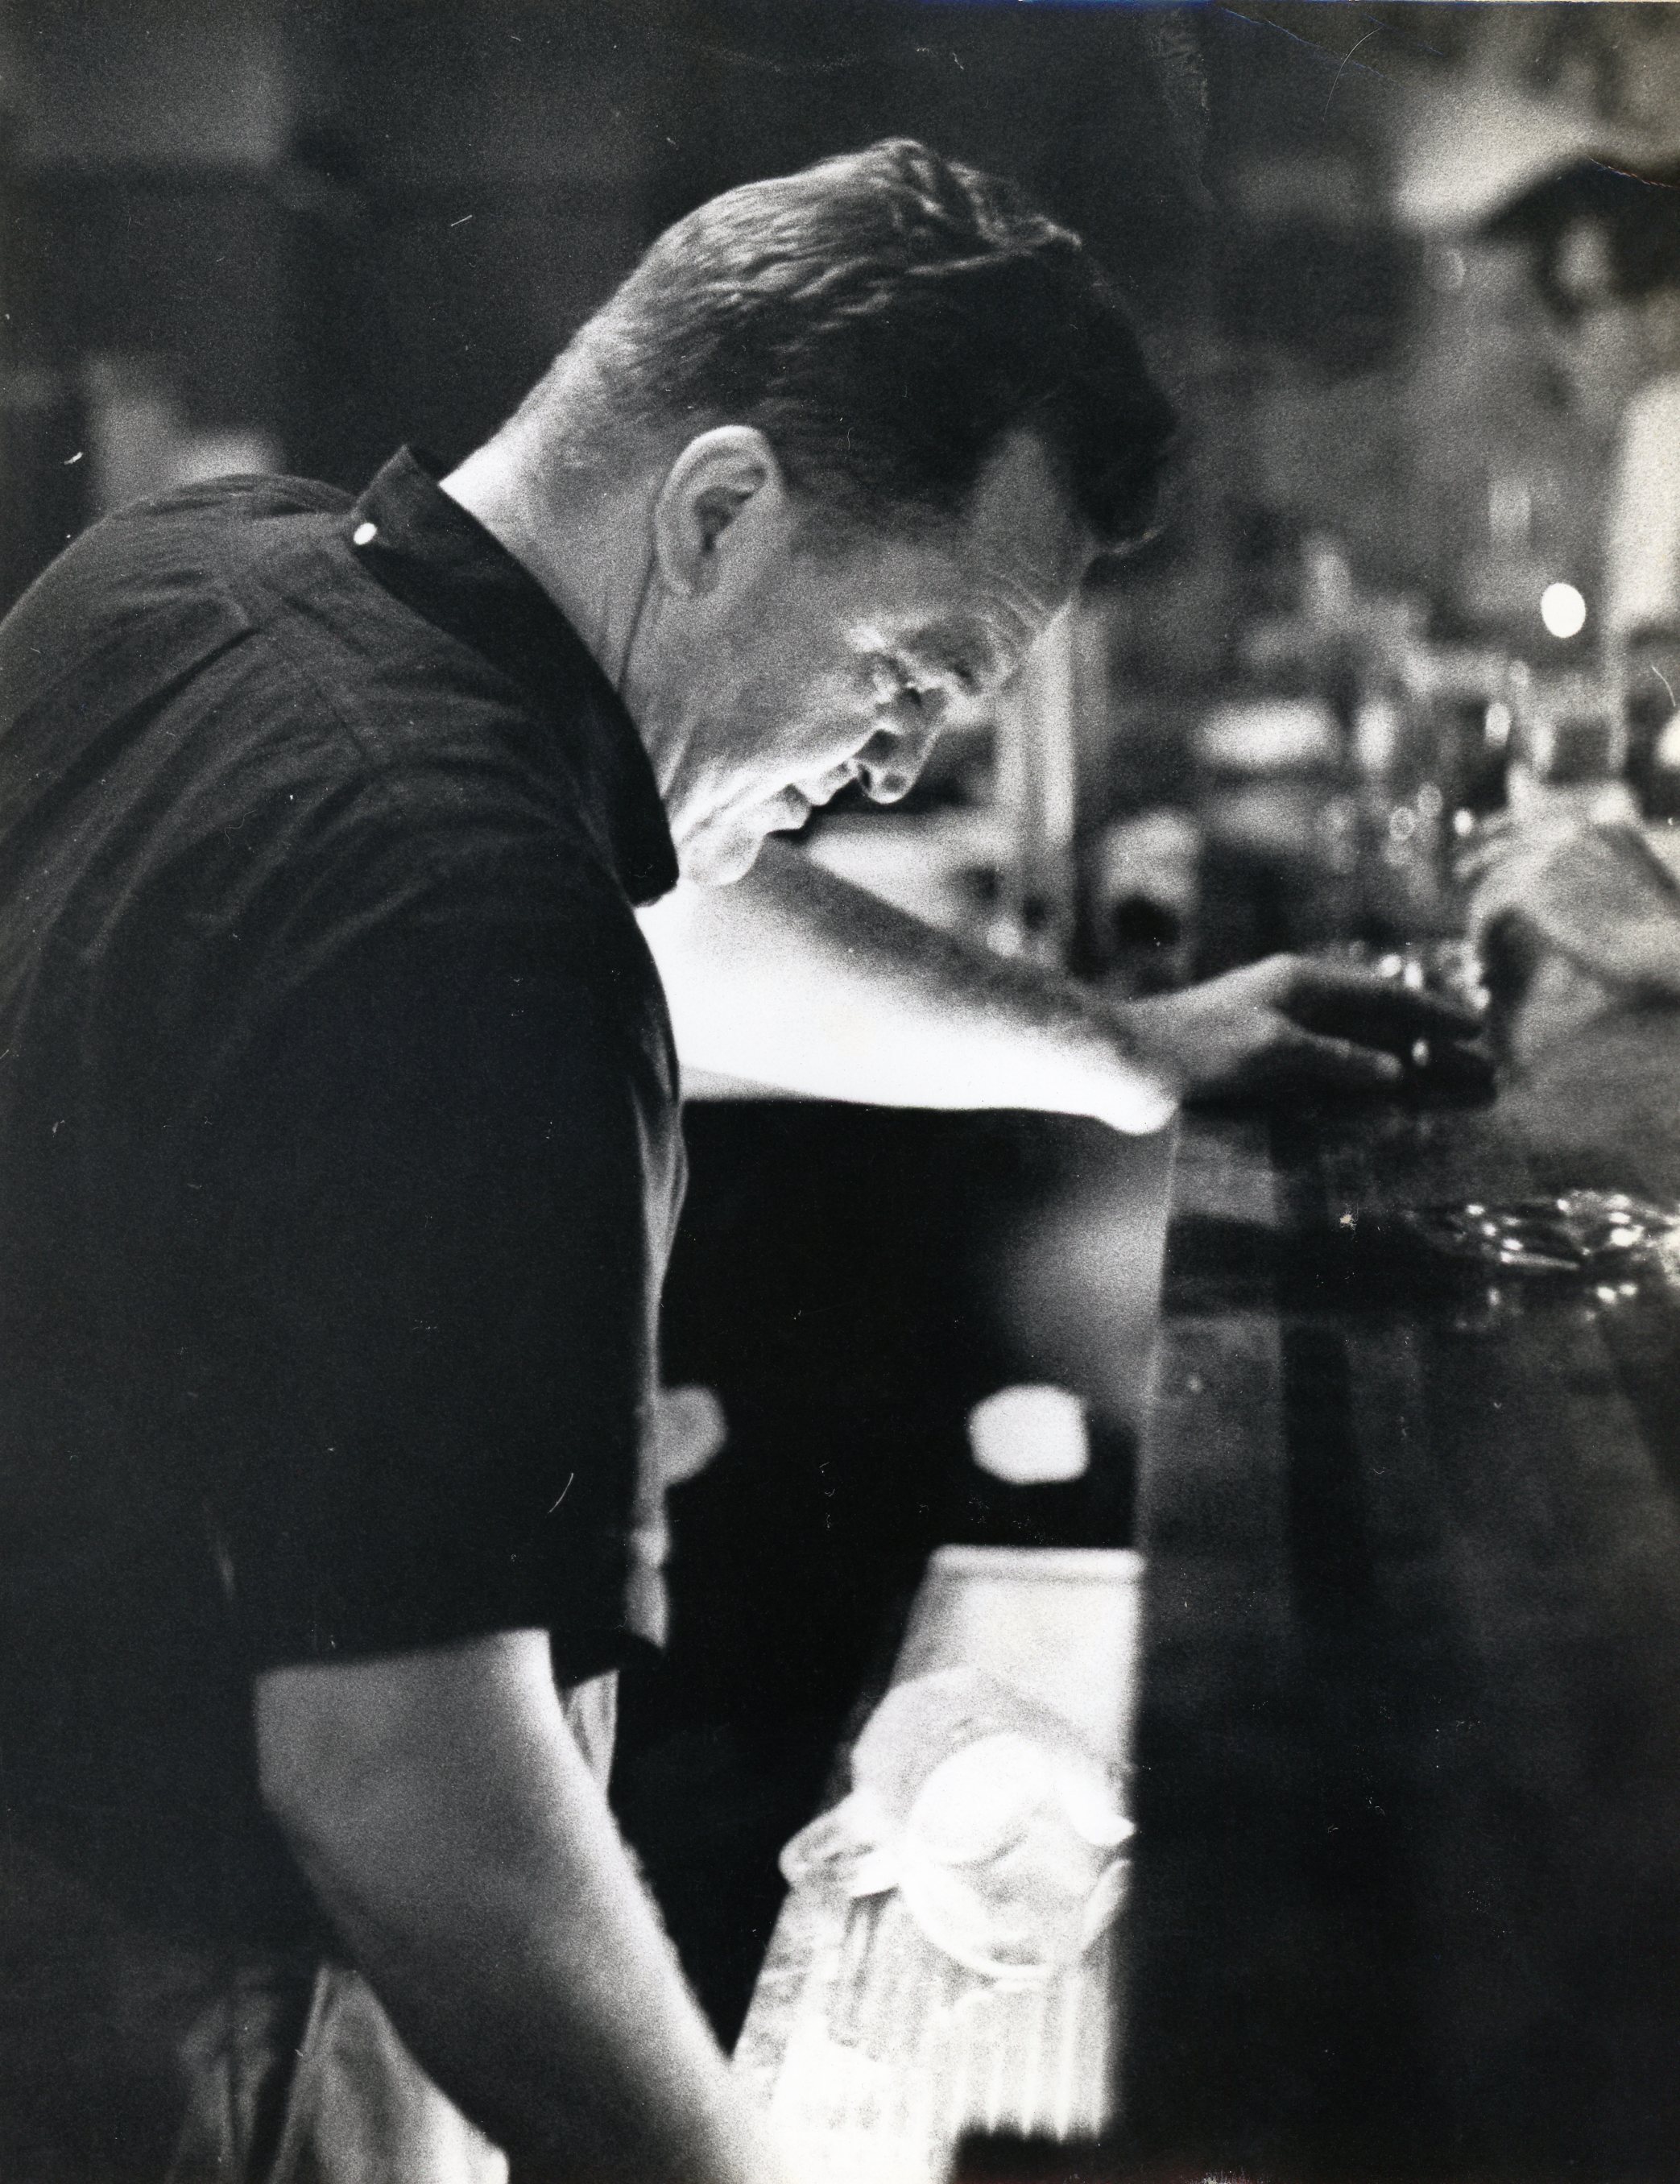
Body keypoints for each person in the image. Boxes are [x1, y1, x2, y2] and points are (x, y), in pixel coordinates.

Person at [0, 139, 1474, 2184]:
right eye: (901, 677)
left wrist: (1116, 1048)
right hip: (194, 2002)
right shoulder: (463, 912)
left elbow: (651, 911)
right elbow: (409, 1792)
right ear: (712, 510)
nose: (892, 770)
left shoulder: (196, 575)